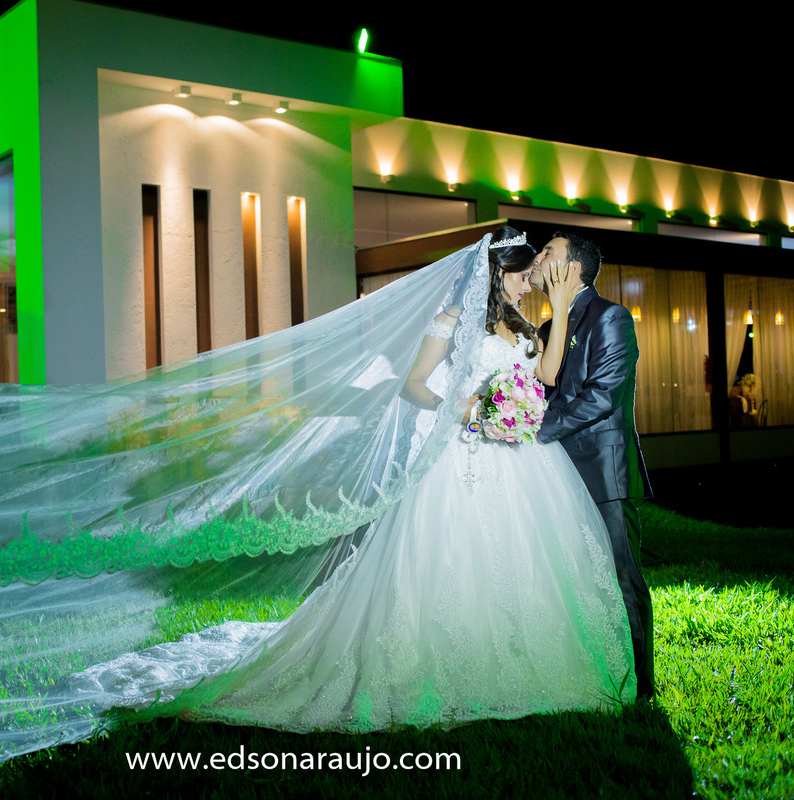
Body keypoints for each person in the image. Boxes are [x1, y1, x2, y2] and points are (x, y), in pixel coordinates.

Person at [68, 226, 638, 730]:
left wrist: (545, 339)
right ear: (498, 272)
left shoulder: (532, 327)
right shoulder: (453, 319)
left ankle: (515, 661)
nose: (530, 280)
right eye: (522, 273)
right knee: (449, 559)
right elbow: (414, 384)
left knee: (516, 561)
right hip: (463, 452)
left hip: (518, 462)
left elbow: (545, 377)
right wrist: (465, 410)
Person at [529, 231, 655, 700]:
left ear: (574, 269)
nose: (537, 258)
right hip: (552, 475)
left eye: (548, 252)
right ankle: (592, 673)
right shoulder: (546, 329)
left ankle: (641, 687)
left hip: (602, 472)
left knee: (621, 578)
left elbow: (603, 395)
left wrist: (536, 429)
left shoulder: (610, 317)